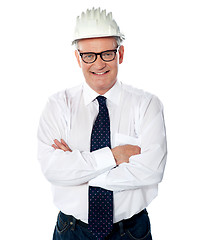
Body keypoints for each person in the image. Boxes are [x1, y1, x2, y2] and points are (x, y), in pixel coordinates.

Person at [37, 7, 167, 240]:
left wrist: (78, 173)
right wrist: (114, 156)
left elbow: (151, 170)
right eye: (89, 55)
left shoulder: (147, 105)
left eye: (107, 53)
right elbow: (52, 168)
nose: (98, 64)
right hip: (71, 231)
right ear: (78, 57)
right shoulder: (58, 105)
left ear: (121, 54)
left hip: (130, 231)